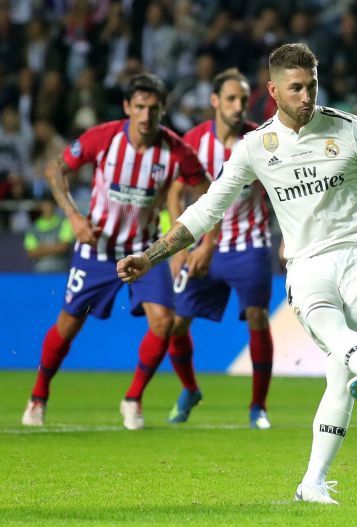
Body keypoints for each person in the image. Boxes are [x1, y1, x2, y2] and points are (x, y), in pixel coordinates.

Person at [116, 43, 357, 505]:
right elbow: (205, 212)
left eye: (312, 86)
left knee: (341, 377)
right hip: (306, 263)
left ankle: (313, 482)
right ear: (273, 91)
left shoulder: (350, 130)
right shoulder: (257, 148)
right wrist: (152, 255)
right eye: (296, 88)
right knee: (329, 327)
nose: (306, 96)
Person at [21, 73, 215, 430]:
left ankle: (133, 399)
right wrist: (74, 216)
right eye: (139, 107)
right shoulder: (104, 137)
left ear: (162, 110)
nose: (146, 115)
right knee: (68, 325)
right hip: (97, 249)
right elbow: (56, 169)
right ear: (127, 107)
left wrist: (200, 239)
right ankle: (38, 397)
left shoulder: (176, 151)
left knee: (165, 322)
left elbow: (208, 192)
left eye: (153, 108)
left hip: (144, 250)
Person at [166, 68, 276, 429]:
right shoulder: (195, 141)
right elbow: (175, 192)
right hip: (201, 247)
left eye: (243, 99)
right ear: (214, 101)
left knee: (258, 317)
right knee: (176, 324)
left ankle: (258, 407)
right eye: (230, 98)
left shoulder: (261, 138)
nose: (238, 105)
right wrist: (178, 246)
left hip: (250, 242)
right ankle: (190, 389)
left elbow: (279, 190)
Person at [24, 196, 74, 273]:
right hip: (40, 273)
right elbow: (31, 253)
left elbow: (64, 247)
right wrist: (55, 247)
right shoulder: (33, 228)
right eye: (44, 206)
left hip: (62, 271)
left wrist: (41, 249)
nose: (47, 209)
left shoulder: (64, 222)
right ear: (40, 208)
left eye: (49, 206)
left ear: (54, 206)